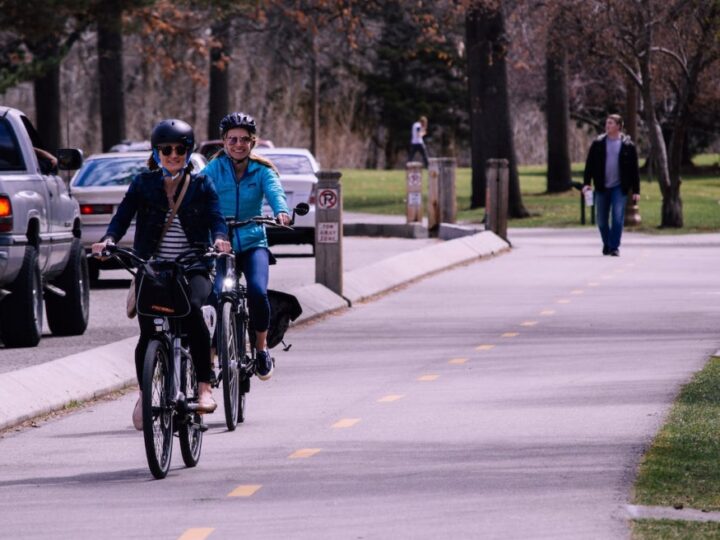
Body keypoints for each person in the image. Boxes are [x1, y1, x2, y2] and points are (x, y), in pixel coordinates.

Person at [91, 119, 231, 430]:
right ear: (156, 153)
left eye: (179, 150)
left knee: (193, 312)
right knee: (149, 333)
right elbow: (122, 216)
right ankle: (145, 393)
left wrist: (220, 238)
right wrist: (109, 241)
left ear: (188, 151)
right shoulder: (143, 184)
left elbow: (216, 218)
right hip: (152, 268)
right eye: (165, 149)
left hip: (193, 264)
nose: (172, 155)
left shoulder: (201, 185)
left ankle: (204, 388)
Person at [202, 112, 290, 381]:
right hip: (221, 244)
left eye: (244, 139)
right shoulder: (213, 170)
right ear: (223, 142)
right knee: (216, 295)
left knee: (257, 292)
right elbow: (198, 193)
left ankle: (261, 349)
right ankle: (213, 354)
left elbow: (276, 193)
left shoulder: (262, 170)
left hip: (253, 242)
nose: (238, 144)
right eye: (232, 140)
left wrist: (281, 212)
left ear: (253, 142)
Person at [582, 114, 640, 256]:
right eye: (607, 123)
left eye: (611, 123)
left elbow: (634, 169)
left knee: (617, 217)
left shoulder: (628, 145)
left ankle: (614, 247)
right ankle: (607, 243)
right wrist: (586, 183)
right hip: (602, 186)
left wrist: (636, 190)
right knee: (601, 220)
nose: (607, 125)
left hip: (619, 187)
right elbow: (589, 165)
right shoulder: (598, 144)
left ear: (619, 126)